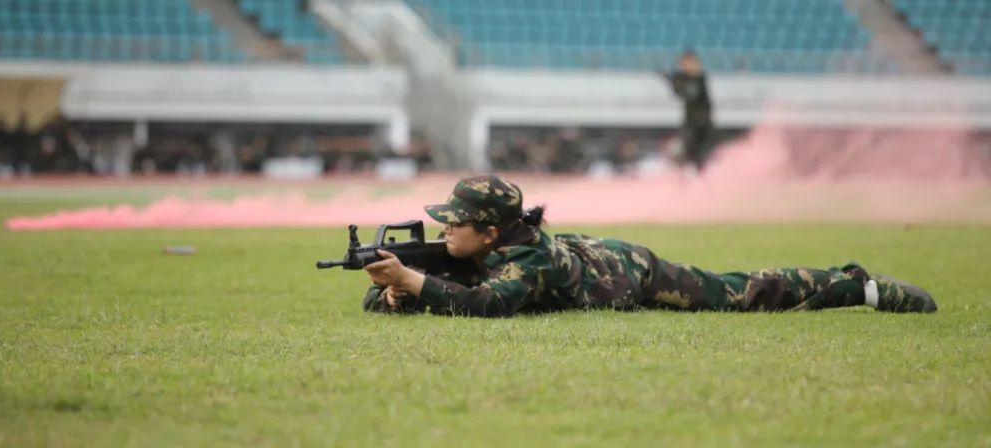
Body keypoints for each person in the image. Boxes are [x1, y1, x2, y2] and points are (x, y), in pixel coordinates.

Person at [362, 176, 937, 318]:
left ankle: (856, 286)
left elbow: (489, 305)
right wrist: (393, 294)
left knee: (736, 294)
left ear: (491, 232)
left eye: (455, 224)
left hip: (627, 271)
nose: (444, 232)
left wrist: (412, 282)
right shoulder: (477, 251)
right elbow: (438, 291)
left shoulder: (527, 259)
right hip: (588, 255)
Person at [662, 50, 715, 172]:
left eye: (688, 63)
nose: (685, 67)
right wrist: (674, 82)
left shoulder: (700, 79)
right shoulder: (685, 78)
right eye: (683, 64)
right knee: (686, 153)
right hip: (691, 122)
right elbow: (682, 92)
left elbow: (690, 93)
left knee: (699, 154)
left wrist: (674, 82)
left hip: (702, 124)